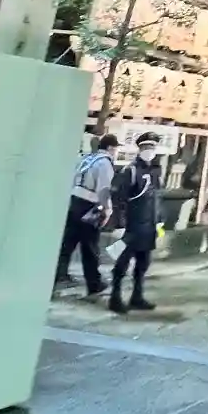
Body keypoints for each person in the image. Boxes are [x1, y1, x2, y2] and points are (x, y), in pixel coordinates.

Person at [108, 133, 163, 314]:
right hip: (133, 225)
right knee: (122, 262)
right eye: (146, 147)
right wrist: (119, 224)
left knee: (143, 263)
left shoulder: (156, 170)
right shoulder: (130, 171)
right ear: (140, 149)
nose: (149, 151)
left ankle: (137, 297)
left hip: (149, 225)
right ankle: (115, 298)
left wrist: (159, 221)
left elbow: (156, 197)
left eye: (152, 148)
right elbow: (118, 199)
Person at [58, 134, 117, 295]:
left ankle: (58, 276)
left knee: (67, 243)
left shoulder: (87, 158)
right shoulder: (105, 163)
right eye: (115, 148)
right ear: (110, 148)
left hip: (74, 201)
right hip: (89, 205)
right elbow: (103, 189)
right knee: (90, 247)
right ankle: (94, 284)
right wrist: (107, 210)